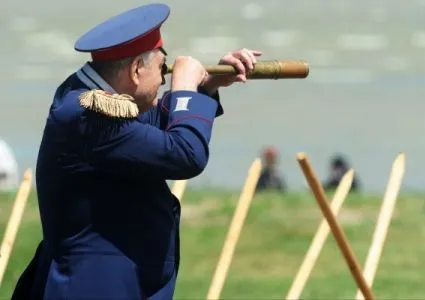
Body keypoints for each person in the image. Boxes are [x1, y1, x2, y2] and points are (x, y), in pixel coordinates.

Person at [11, 3, 263, 299]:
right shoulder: (88, 115)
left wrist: (204, 86)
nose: (163, 79)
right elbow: (185, 155)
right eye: (161, 69)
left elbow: (148, 131)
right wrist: (183, 91)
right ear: (135, 69)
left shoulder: (87, 97)